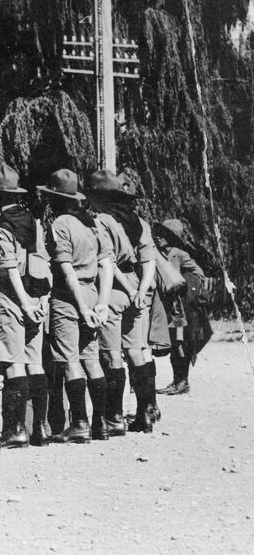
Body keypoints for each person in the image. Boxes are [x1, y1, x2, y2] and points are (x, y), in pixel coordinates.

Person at [37, 169, 114, 444]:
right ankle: (101, 422)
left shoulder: (60, 225)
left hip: (69, 297)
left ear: (54, 198)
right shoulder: (90, 224)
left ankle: (79, 422)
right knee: (91, 358)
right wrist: (102, 303)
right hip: (93, 292)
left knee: (70, 360)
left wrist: (80, 307)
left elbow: (66, 270)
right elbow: (107, 265)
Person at [0, 163, 51, 448]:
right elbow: (43, 261)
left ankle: (16, 428)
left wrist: (21, 302)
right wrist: (41, 302)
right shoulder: (34, 222)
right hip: (37, 298)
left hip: (13, 298)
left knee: (12, 363)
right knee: (35, 363)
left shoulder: (0, 227)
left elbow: (8, 267)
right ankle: (42, 428)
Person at [85, 169, 158, 435]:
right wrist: (141, 290)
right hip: (138, 288)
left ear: (97, 196)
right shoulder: (139, 221)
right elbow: (149, 259)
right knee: (136, 350)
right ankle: (145, 413)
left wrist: (127, 288)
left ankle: (114, 417)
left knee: (111, 354)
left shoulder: (99, 220)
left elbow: (108, 261)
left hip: (113, 290)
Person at [153, 218, 210, 395]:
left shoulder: (177, 253)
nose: (158, 236)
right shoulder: (161, 253)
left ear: (172, 237)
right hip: (171, 305)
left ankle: (182, 382)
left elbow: (199, 274)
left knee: (180, 343)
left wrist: (187, 287)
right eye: (159, 233)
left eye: (164, 234)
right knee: (175, 343)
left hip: (180, 307)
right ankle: (178, 381)